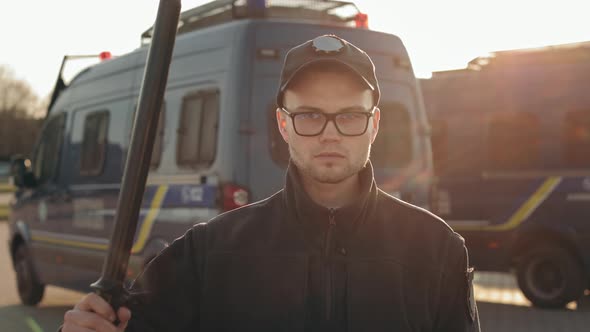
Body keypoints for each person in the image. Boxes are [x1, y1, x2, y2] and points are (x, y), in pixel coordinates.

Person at [61, 34, 480, 332]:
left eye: (350, 115)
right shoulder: (209, 253)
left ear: (374, 125)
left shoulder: (436, 249)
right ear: (283, 123)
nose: (330, 134)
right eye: (310, 115)